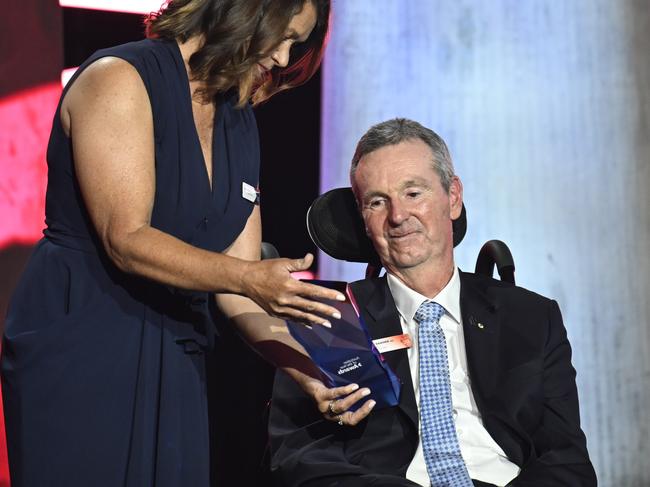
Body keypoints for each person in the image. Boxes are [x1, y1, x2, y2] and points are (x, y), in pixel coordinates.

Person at [0, 1, 354, 486]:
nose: (283, 57)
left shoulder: (237, 116)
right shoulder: (120, 78)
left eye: (298, 43)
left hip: (177, 352)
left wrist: (308, 371)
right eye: (285, 35)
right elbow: (125, 238)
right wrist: (250, 278)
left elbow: (237, 283)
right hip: (84, 344)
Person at [269, 118, 597, 486]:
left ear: (453, 197)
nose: (398, 216)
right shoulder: (327, 319)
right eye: (378, 202)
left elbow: (567, 462)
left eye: (413, 193)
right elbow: (300, 461)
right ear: (362, 218)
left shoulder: (532, 317)